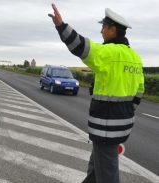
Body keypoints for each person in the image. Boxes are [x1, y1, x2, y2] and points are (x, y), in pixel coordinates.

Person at [48, 4, 144, 183]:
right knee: (96, 167)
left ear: (112, 30)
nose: (101, 31)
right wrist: (125, 111)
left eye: (103, 27)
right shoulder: (135, 58)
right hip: (123, 124)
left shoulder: (109, 52)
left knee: (107, 174)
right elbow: (139, 91)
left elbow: (81, 46)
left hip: (105, 126)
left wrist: (61, 26)